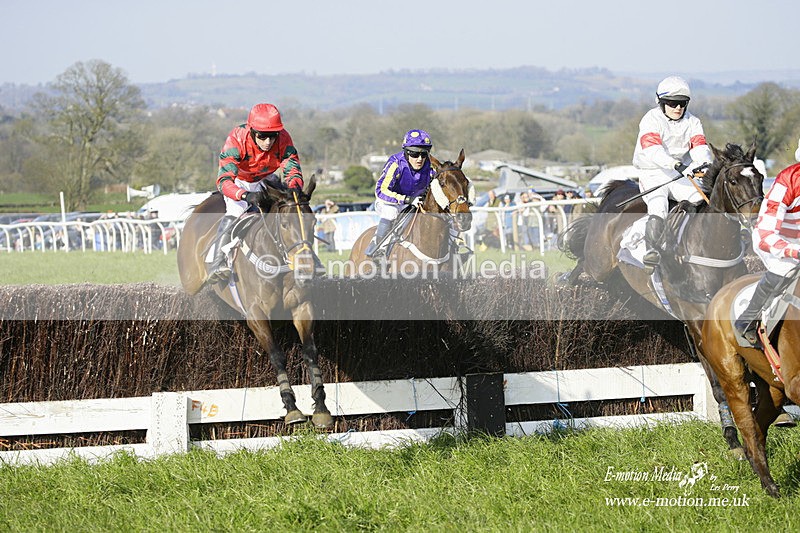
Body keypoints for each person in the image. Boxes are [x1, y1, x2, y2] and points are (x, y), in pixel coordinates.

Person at [208, 103, 304, 282]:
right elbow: (223, 181)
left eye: (272, 136)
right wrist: (245, 195)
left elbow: (292, 169)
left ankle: (306, 257)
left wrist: (294, 189)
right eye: (262, 136)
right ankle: (218, 262)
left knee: (292, 211)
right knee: (236, 211)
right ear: (252, 131)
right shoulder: (237, 138)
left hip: (266, 179)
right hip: (239, 181)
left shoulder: (283, 138)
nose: (268, 142)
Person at [632, 75, 713, 272]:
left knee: (699, 199)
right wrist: (675, 163)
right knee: (658, 205)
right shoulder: (651, 119)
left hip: (680, 172)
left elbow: (699, 146)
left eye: (682, 103)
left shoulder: (693, 121)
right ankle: (652, 252)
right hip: (653, 171)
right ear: (660, 102)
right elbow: (653, 150)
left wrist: (704, 163)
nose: (678, 108)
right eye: (672, 103)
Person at [735, 161, 800, 346]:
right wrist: (794, 251)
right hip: (776, 241)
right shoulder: (787, 181)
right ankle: (746, 319)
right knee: (787, 267)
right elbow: (766, 234)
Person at [365, 129, 435, 258]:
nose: (419, 159)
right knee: (391, 212)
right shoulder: (396, 163)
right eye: (414, 154)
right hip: (390, 202)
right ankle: (379, 246)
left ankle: (452, 245)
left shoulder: (431, 166)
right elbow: (381, 191)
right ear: (406, 152)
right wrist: (407, 199)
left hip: (415, 203)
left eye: (424, 154)